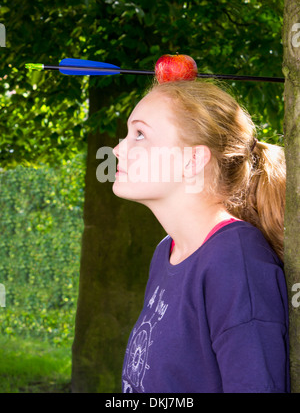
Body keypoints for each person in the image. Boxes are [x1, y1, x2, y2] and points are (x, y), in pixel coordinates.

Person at [112, 79, 290, 393]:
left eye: (139, 134)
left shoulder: (235, 261)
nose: (117, 149)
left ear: (192, 160)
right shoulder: (168, 250)